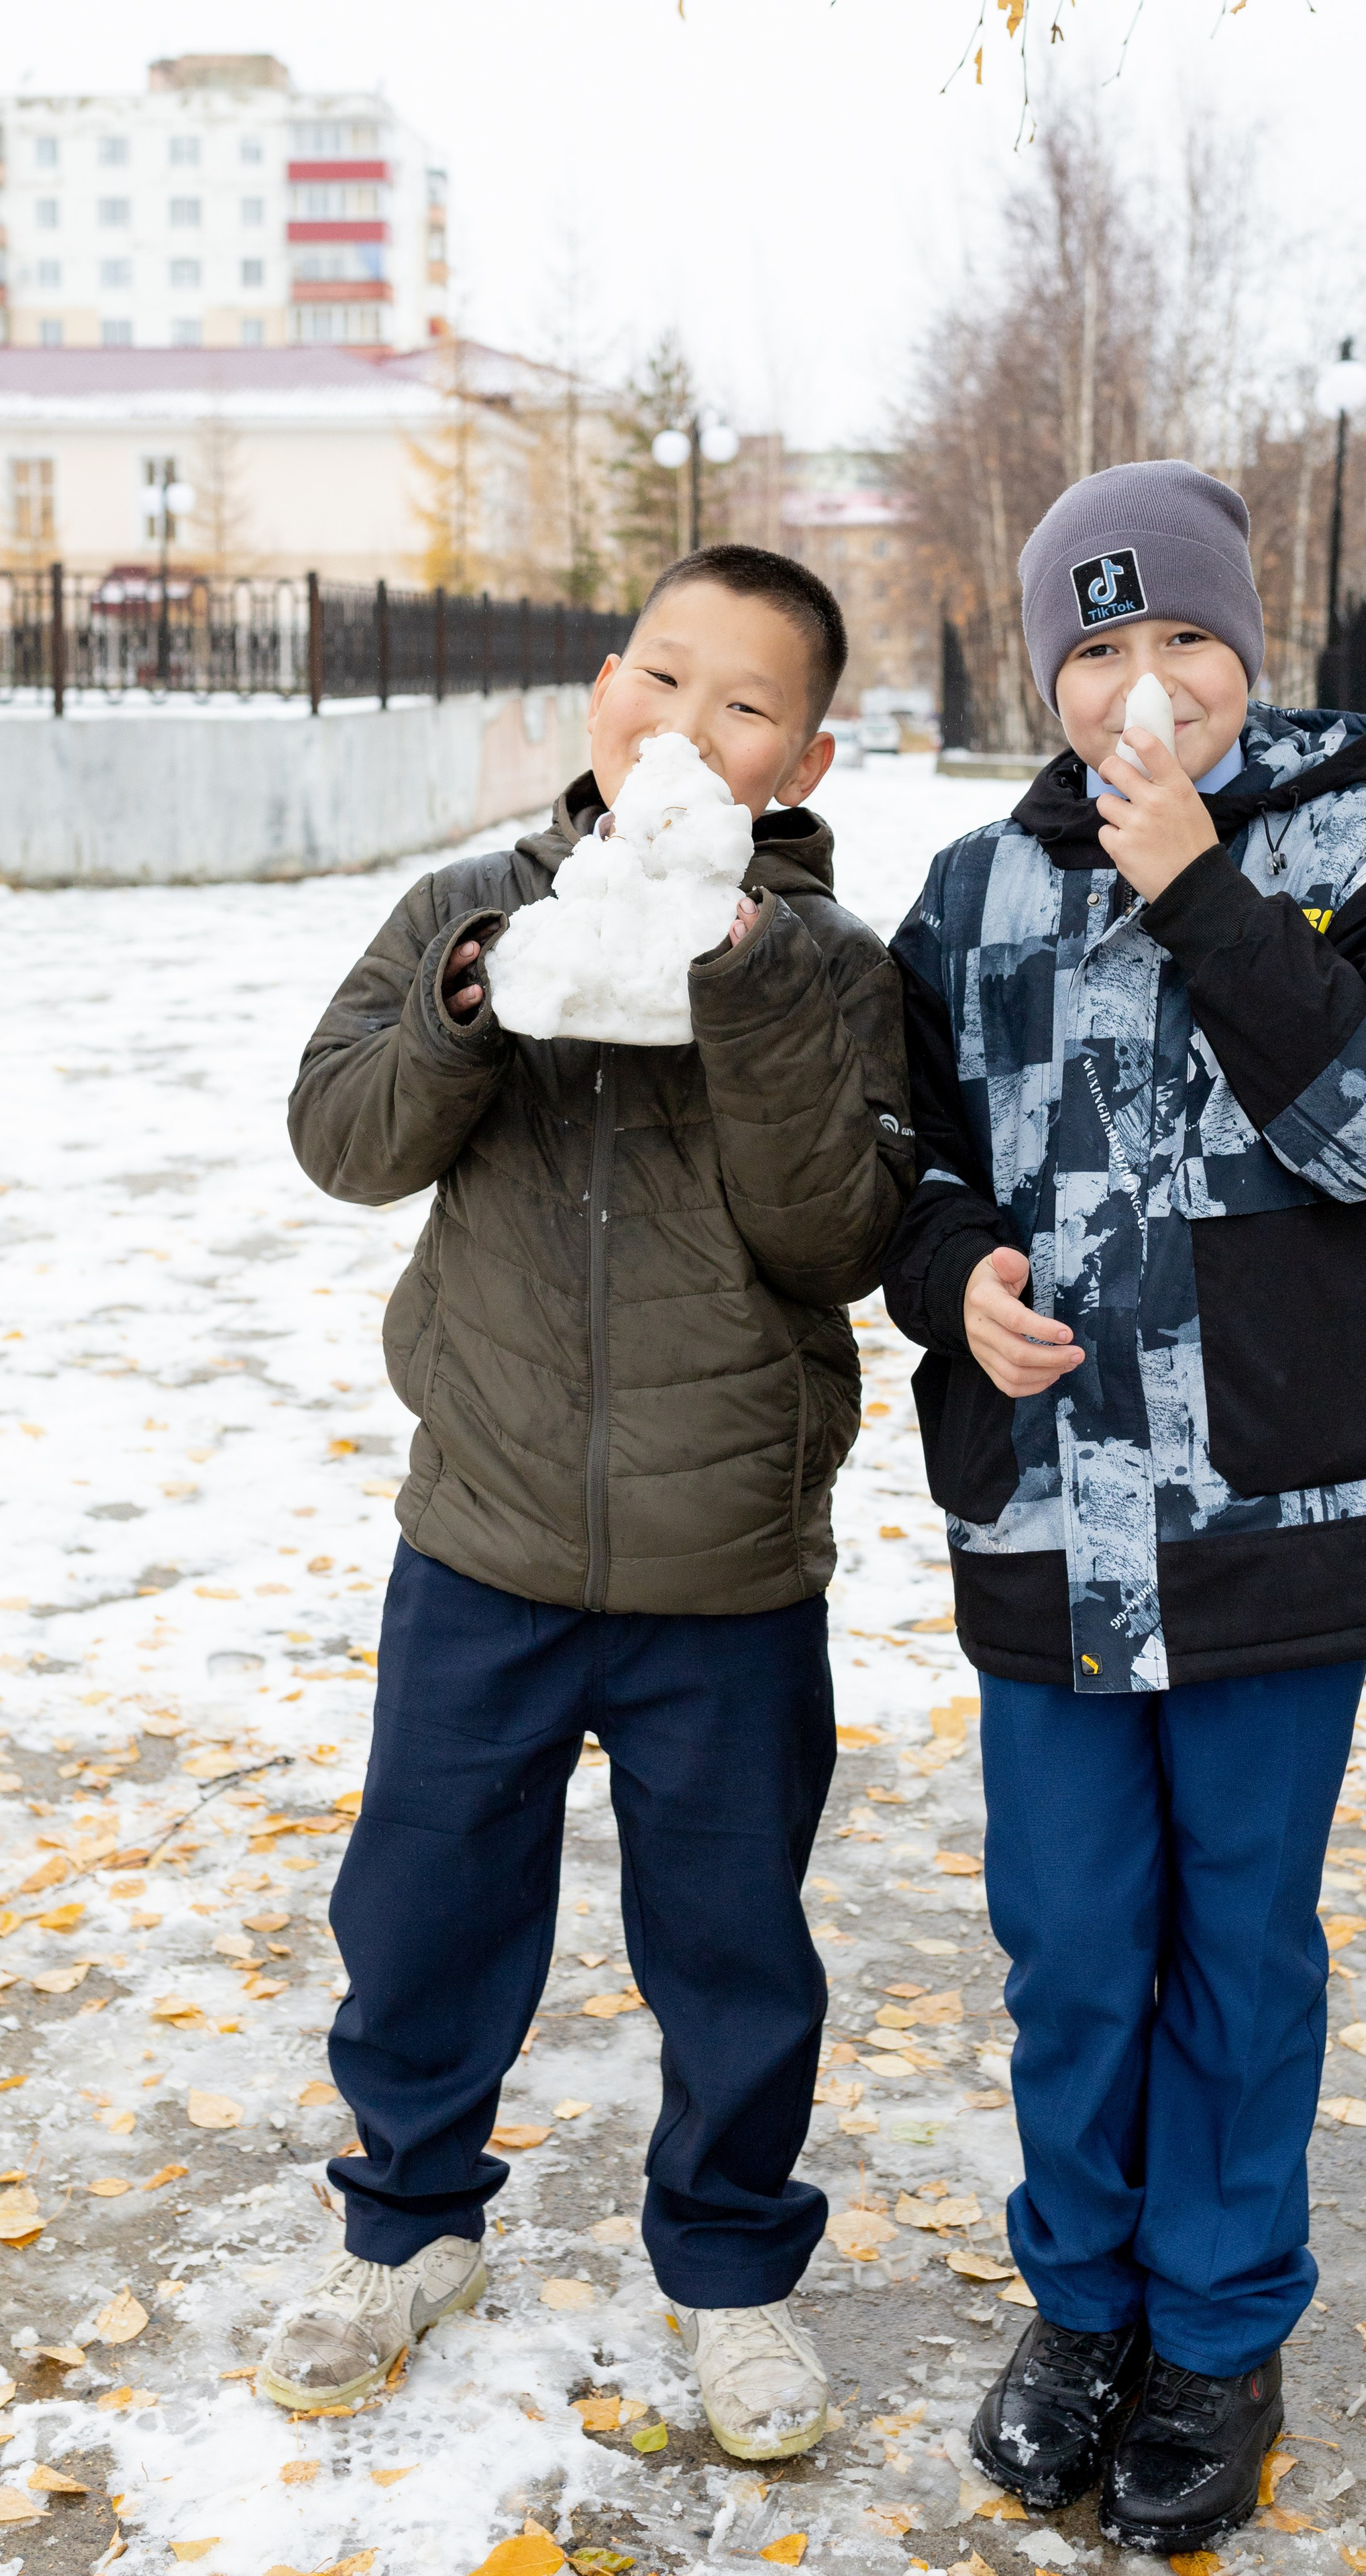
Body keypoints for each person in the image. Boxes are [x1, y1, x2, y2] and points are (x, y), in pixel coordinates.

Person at [882, 463, 1366, 2553]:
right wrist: (949, 1273)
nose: (1148, 691)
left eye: (1188, 645)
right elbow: (909, 1152)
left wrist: (1206, 893)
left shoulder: (1361, 851)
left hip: (1271, 1518)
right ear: (1054, 671)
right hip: (1059, 1514)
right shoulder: (966, 893)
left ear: (1250, 647)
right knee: (1068, 1936)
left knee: (1239, 1930)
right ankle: (1081, 2309)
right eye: (1101, 651)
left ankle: (1220, 2325)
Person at [271, 544, 912, 2458]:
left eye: (744, 705)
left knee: (731, 1942)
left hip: (726, 1563)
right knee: (425, 1903)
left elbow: (844, 1233)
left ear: (799, 762)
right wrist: (475, 1004)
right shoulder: (464, 906)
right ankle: (406, 2223)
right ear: (598, 687)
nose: (687, 726)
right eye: (662, 677)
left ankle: (730, 2274)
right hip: (484, 1533)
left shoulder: (837, 968)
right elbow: (340, 1138)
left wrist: (747, 990)